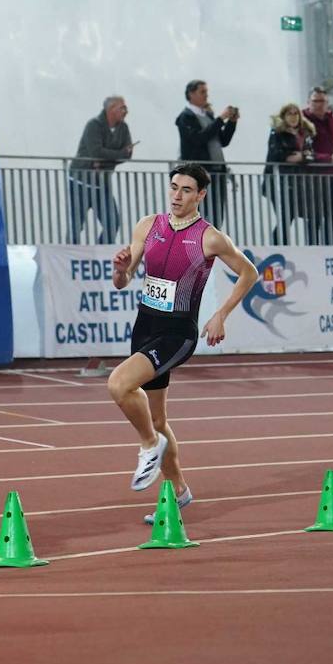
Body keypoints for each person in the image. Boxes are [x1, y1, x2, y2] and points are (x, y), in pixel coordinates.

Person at [108, 162, 257, 523]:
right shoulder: (149, 225)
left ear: (201, 195)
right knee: (157, 417)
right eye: (173, 187)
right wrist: (120, 268)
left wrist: (221, 314)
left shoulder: (210, 237)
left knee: (118, 384)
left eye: (186, 190)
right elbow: (122, 281)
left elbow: (249, 272)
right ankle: (178, 491)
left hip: (178, 333)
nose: (176, 195)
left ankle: (148, 447)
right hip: (145, 325)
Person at [67, 96, 133, 244]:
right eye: (122, 108)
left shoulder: (123, 128)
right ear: (111, 109)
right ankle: (70, 258)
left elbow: (127, 154)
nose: (126, 111)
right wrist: (117, 154)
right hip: (80, 182)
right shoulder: (94, 125)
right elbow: (96, 152)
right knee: (76, 225)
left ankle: (99, 254)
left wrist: (104, 160)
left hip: (102, 183)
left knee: (112, 223)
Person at [176, 80, 238, 231]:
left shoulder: (208, 116)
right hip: (200, 175)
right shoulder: (185, 117)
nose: (206, 95)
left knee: (217, 215)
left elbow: (222, 140)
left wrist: (231, 123)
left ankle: (210, 247)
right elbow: (199, 139)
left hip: (217, 173)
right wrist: (220, 119)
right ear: (191, 94)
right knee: (201, 214)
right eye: (202, 92)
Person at [301, 87, 333, 245]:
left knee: (332, 217)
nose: (319, 104)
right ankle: (312, 249)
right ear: (308, 102)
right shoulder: (303, 122)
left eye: (322, 101)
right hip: (312, 178)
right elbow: (304, 151)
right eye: (316, 101)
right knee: (314, 217)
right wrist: (329, 159)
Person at [262, 103, 315, 245]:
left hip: (298, 182)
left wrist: (301, 157)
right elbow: (275, 154)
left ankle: (308, 247)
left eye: (296, 113)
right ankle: (277, 247)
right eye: (289, 114)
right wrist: (293, 157)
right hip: (278, 182)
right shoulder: (277, 133)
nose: (293, 117)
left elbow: (310, 155)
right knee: (286, 217)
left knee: (307, 216)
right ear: (283, 117)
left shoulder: (305, 133)